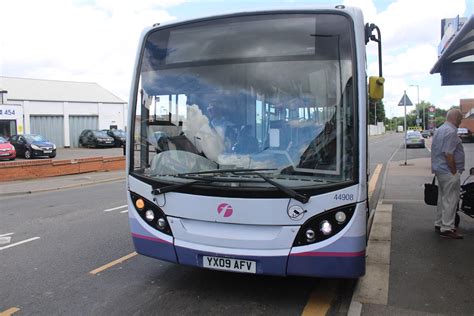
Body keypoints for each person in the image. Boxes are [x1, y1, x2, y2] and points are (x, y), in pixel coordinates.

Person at [431, 109, 465, 239]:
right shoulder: (451, 132)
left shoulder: (440, 129)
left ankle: (439, 224)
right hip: (448, 171)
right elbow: (448, 154)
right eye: (460, 119)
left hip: (440, 170)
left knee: (443, 198)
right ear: (455, 118)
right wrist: (454, 171)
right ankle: (447, 228)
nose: (461, 121)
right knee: (451, 200)